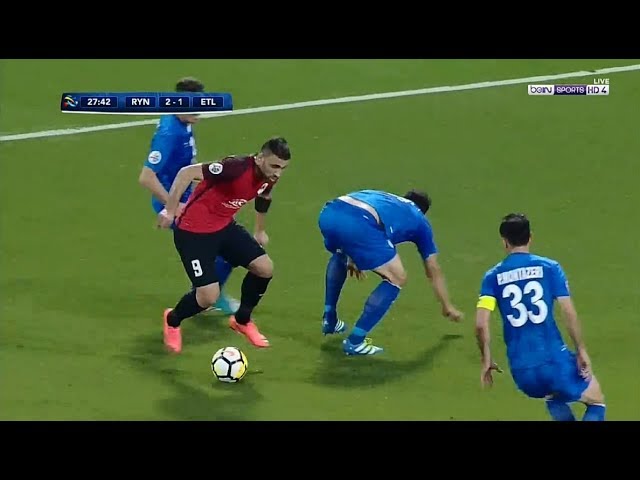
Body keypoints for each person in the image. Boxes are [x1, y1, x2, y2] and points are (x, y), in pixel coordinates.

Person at [157, 136, 292, 354]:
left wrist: (259, 230)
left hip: (224, 227)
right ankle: (172, 320)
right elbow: (186, 173)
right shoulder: (235, 168)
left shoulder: (269, 176)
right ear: (260, 158)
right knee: (208, 296)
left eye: (283, 168)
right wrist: (170, 210)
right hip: (193, 233)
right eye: (275, 166)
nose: (278, 173)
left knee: (265, 268)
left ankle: (241, 320)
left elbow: (264, 196)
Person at [474, 213, 606, 421]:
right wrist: (581, 350)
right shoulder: (550, 268)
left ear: (504, 241)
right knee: (596, 402)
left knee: (554, 397)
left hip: (522, 372)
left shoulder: (492, 277)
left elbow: (481, 324)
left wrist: (486, 358)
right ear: (530, 237)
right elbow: (568, 312)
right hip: (553, 361)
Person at [317, 189, 463, 355]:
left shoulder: (385, 198)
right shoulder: (419, 219)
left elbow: (352, 216)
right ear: (423, 211)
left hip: (329, 213)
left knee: (340, 255)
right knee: (397, 277)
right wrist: (447, 306)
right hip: (361, 223)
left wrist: (352, 256)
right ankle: (355, 341)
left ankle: (330, 319)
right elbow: (433, 268)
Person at [138, 76, 239, 315]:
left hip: (190, 195)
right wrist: (173, 206)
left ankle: (206, 295)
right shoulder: (169, 134)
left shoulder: (184, 121)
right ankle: (206, 298)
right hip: (177, 201)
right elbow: (146, 177)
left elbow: (184, 165)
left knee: (227, 243)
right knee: (224, 247)